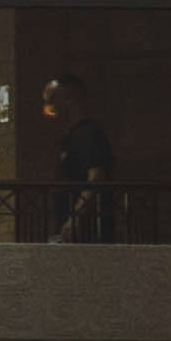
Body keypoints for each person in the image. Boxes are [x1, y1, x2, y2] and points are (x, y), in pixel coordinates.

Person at [44, 70, 117, 239]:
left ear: (70, 99)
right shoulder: (71, 136)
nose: (50, 108)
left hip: (87, 230)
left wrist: (76, 218)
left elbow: (96, 177)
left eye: (54, 100)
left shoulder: (88, 135)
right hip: (74, 225)